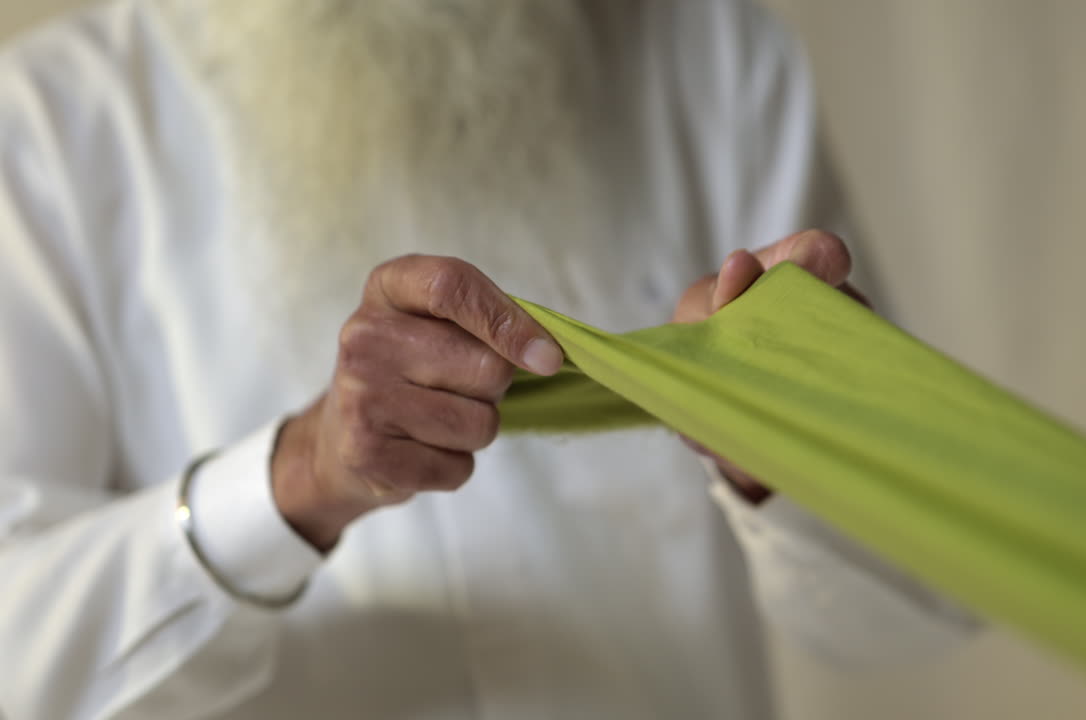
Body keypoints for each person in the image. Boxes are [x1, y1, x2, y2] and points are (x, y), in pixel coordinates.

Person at [0, 1, 975, 717]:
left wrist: (780, 444)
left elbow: (922, 604)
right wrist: (293, 482)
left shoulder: (711, 56)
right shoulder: (48, 130)